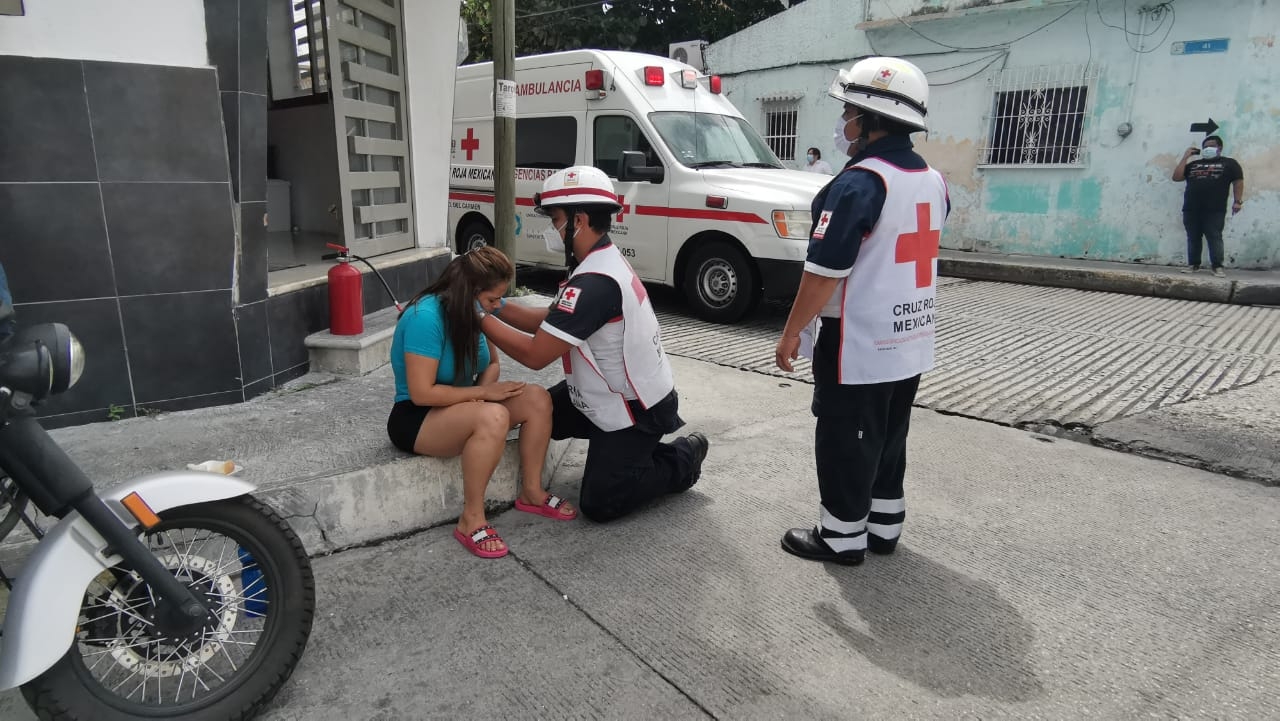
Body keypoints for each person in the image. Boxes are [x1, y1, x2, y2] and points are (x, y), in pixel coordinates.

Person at [774, 56, 949, 566]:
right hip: (911, 340)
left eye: (850, 110)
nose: (844, 120)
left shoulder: (859, 184)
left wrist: (791, 333)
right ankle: (883, 526)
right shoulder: (932, 180)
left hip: (860, 344)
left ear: (871, 121)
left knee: (845, 439)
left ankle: (842, 537)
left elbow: (823, 272)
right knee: (889, 436)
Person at [479, 166, 709, 523]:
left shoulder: (595, 283)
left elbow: (535, 354)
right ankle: (622, 455)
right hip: (602, 392)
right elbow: (554, 320)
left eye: (554, 218)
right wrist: (499, 306)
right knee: (539, 413)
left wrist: (477, 319)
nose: (550, 229)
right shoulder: (596, 264)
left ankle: (682, 458)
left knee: (601, 502)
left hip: (636, 409)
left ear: (580, 220)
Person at [387, 246, 573, 560]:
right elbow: (422, 393)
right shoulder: (425, 317)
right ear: (470, 293)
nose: (498, 306)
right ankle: (471, 517)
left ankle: (531, 491)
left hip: (463, 405)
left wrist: (481, 393)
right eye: (492, 299)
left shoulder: (473, 314)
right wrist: (483, 397)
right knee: (494, 417)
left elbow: (492, 365)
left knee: (537, 399)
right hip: (417, 416)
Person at [1172, 135, 1244, 277]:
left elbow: (1238, 182)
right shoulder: (1193, 165)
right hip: (1191, 208)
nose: (1207, 149)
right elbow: (1177, 177)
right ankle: (1193, 264)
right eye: (1205, 147)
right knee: (1193, 237)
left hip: (1215, 209)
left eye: (1211, 146)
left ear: (1219, 148)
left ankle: (1217, 266)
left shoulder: (1230, 164)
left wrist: (1237, 201)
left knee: (1214, 237)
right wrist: (1185, 157)